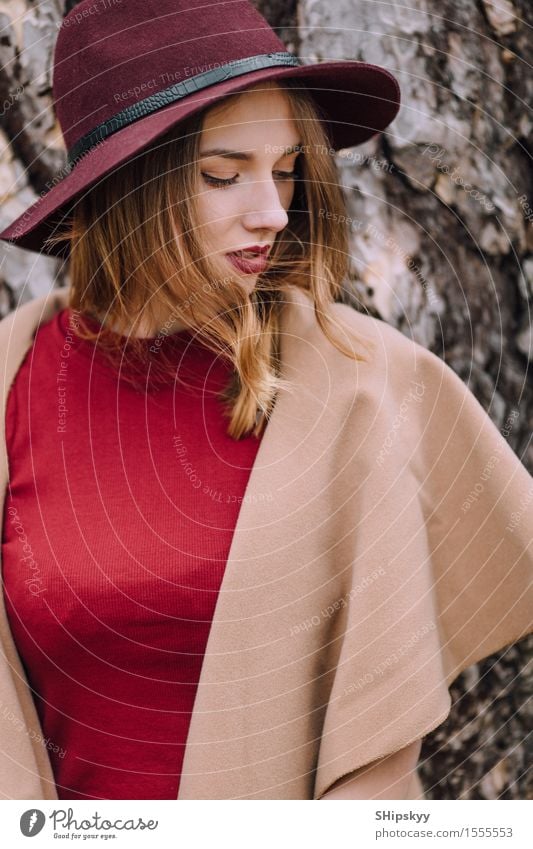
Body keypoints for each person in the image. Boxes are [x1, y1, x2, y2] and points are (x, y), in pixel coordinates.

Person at [0, 0, 531, 802]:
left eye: (285, 170)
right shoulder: (12, 377)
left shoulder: (360, 381)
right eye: (223, 174)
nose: (273, 214)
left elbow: (379, 739)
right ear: (124, 186)